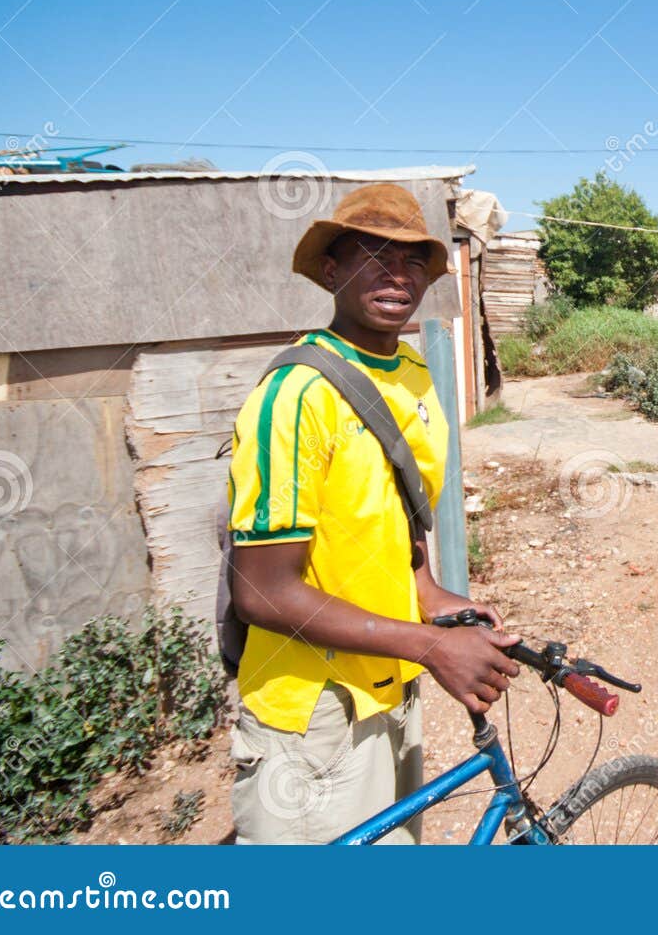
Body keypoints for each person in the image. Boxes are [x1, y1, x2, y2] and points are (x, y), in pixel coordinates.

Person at [225, 182, 519, 843]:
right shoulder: (296, 395)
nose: (398, 274)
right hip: (315, 714)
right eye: (374, 256)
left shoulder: (413, 374)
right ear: (331, 271)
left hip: (392, 684)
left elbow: (399, 514)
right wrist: (432, 646)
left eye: (413, 260)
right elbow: (261, 591)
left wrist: (431, 596)